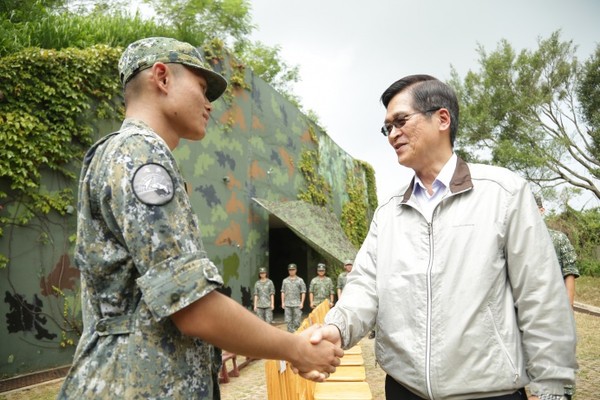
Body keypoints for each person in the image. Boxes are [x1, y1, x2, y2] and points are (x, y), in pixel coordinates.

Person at [57, 37, 342, 399]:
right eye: (203, 88)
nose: (209, 104)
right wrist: (296, 348)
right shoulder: (139, 155)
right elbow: (193, 308)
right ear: (161, 77)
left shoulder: (132, 154)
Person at [310, 75, 577, 400]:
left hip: (488, 392)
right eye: (387, 128)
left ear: (442, 118)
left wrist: (552, 390)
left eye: (400, 121)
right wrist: (336, 328)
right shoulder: (389, 212)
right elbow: (365, 286)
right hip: (403, 390)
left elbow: (541, 296)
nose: (393, 134)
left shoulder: (503, 193)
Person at [535, 194, 580, 307]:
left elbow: (569, 272)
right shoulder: (517, 240)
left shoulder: (559, 239)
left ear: (541, 210)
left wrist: (569, 307)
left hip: (554, 303)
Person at [281, 263, 306, 332]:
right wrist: (283, 302)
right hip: (287, 304)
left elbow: (303, 292)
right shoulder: (285, 281)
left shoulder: (300, 280)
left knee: (297, 321)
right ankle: (289, 337)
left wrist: (302, 303)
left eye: (293, 269)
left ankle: (296, 336)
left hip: (297, 304)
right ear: (288, 271)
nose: (291, 271)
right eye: (290, 270)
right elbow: (283, 292)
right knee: (288, 321)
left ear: (296, 270)